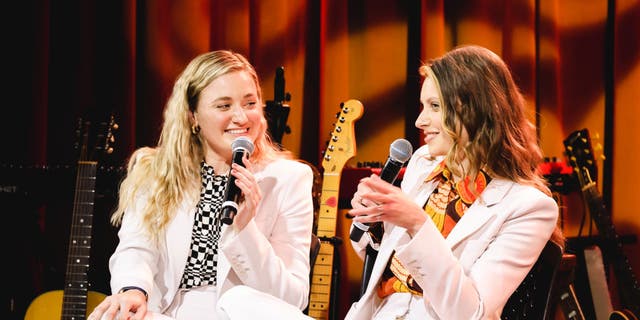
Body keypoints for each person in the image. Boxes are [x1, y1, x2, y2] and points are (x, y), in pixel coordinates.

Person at [88, 50, 315, 320]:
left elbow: (292, 299)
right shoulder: (155, 172)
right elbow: (136, 249)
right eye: (223, 106)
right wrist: (133, 290)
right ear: (193, 116)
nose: (241, 117)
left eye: (250, 103)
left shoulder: (288, 179)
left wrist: (245, 230)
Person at [345, 45, 563, 319]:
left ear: (476, 111)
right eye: (423, 106)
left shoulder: (530, 208)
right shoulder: (423, 163)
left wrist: (417, 223)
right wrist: (375, 218)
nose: (420, 121)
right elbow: (380, 260)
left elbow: (470, 313)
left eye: (435, 106)